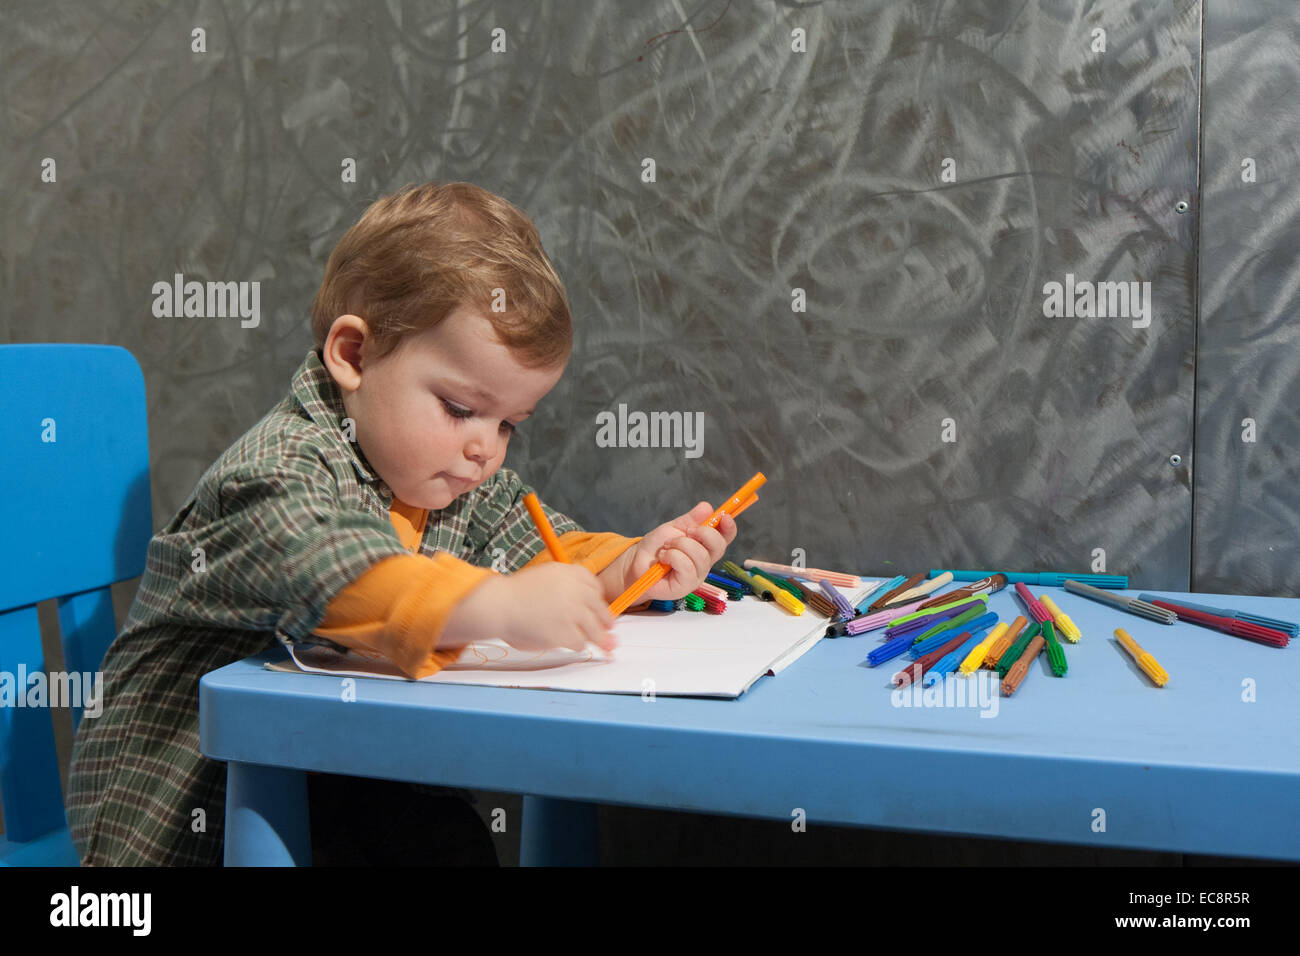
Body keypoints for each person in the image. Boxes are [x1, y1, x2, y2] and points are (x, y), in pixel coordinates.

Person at [67, 181, 736, 865]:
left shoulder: (449, 479)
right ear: (354, 356)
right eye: (457, 407)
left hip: (348, 785)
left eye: (507, 423)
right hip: (185, 824)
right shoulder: (273, 474)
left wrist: (628, 564)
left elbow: (541, 547)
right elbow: (336, 572)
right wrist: (495, 604)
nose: (486, 448)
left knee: (449, 844)